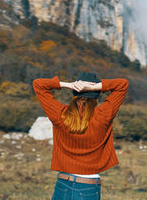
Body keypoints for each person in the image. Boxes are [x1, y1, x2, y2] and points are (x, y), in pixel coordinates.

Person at [32, 72, 129, 200]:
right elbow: (122, 84)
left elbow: (38, 84)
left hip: (63, 184)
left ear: (75, 92)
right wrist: (95, 87)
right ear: (96, 95)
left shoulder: (60, 114)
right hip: (88, 187)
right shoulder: (103, 115)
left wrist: (69, 84)